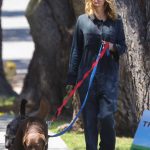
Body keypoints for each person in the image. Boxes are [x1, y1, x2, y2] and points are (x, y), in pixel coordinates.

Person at [66, 0, 127, 149]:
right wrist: (71, 79)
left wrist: (112, 47)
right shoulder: (82, 21)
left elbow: (123, 46)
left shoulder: (116, 21)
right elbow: (76, 51)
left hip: (109, 80)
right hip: (86, 81)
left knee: (107, 118)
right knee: (90, 122)